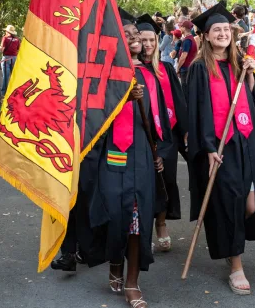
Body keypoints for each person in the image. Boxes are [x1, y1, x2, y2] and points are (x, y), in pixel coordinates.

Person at [185, 4, 255, 295]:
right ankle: (236, 266)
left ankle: (229, 241)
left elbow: (254, 103)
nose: (222, 33)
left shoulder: (239, 63)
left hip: (247, 141)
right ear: (205, 36)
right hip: (221, 145)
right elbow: (197, 113)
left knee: (250, 206)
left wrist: (252, 75)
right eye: (215, 30)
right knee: (231, 202)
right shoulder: (198, 69)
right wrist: (206, 147)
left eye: (225, 30)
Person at [84, 21, 173, 308]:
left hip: (141, 155)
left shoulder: (150, 74)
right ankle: (114, 261)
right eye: (128, 35)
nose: (135, 39)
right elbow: (94, 115)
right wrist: (124, 97)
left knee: (138, 217)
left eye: (137, 35)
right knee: (113, 213)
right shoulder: (105, 73)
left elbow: (159, 118)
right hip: (113, 151)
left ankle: (133, 283)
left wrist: (160, 150)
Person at [136, 14, 188, 254]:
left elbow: (179, 102)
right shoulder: (130, 69)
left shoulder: (166, 68)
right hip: (139, 134)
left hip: (166, 134)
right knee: (142, 183)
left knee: (165, 179)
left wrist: (185, 131)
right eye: (143, 40)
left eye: (151, 40)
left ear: (157, 42)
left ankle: (161, 223)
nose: (147, 45)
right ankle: (141, 229)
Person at [0, 25, 21, 92]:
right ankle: (15, 92)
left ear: (7, 31)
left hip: (6, 58)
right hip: (14, 58)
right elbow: (19, 49)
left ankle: (4, 92)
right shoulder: (17, 39)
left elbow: (1, 50)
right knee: (14, 76)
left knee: (6, 76)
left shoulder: (5, 38)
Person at [176, 20, 198, 87]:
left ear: (184, 28)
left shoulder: (187, 40)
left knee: (185, 90)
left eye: (181, 27)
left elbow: (183, 56)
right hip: (189, 68)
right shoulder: (191, 38)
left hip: (186, 69)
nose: (180, 29)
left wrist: (177, 68)